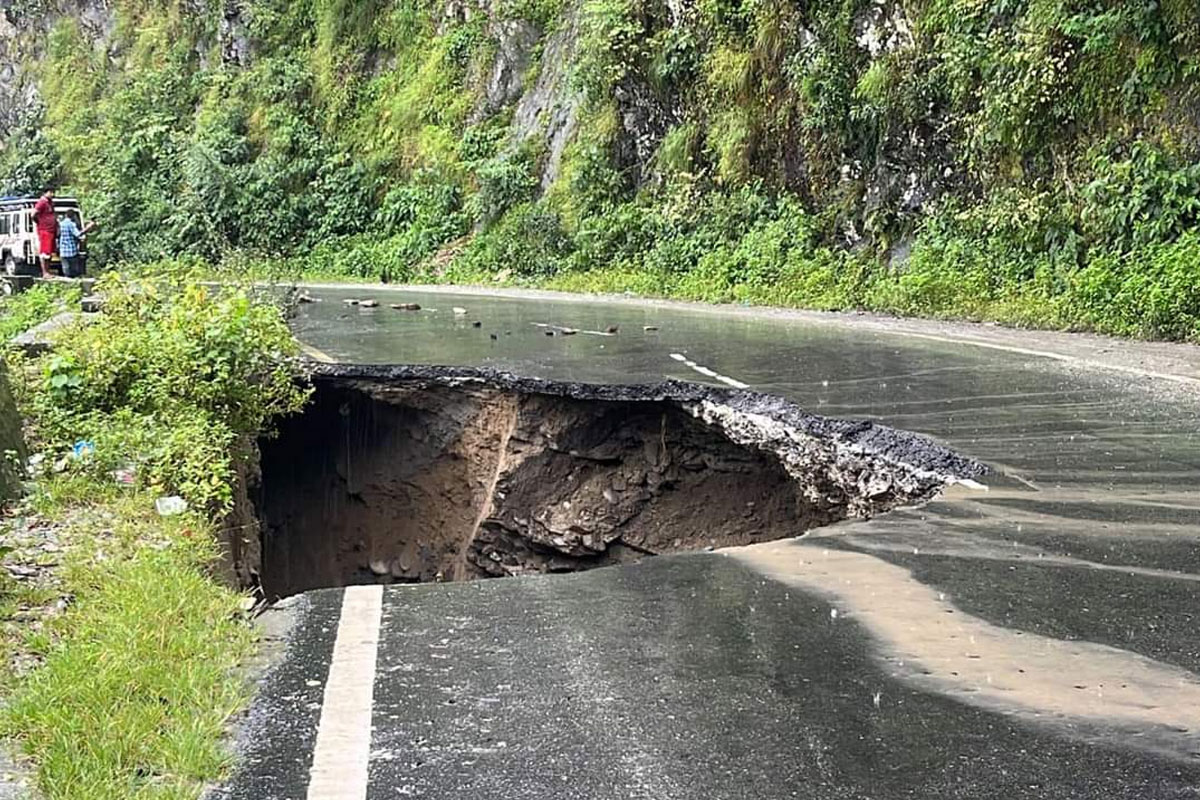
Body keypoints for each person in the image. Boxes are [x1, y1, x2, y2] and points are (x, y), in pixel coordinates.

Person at [57, 211, 94, 279]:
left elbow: (58, 235)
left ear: (66, 215)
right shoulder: (71, 224)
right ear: (73, 216)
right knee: (74, 272)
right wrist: (87, 228)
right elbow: (78, 234)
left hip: (63, 251)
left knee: (66, 270)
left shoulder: (61, 224)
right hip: (72, 251)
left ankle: (67, 283)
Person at [32, 189, 57, 278]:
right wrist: (39, 222)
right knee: (44, 252)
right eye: (51, 192)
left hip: (51, 230)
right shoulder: (42, 202)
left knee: (49, 252)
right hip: (45, 230)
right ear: (45, 193)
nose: (52, 194)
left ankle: (48, 271)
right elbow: (33, 214)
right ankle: (44, 272)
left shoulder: (50, 202)